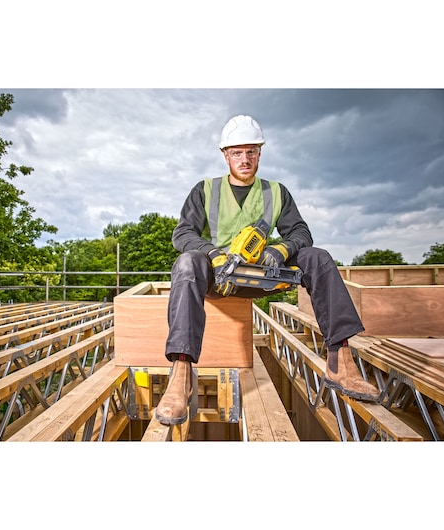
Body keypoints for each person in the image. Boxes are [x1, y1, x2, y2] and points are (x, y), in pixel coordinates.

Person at [155, 115, 381, 426]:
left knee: (318, 257)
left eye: (251, 151)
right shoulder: (205, 189)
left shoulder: (276, 192)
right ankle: (181, 373)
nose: (244, 159)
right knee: (187, 263)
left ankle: (340, 361)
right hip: (218, 275)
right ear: (225, 155)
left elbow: (301, 232)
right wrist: (213, 254)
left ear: (260, 152)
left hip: (261, 275)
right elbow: (182, 234)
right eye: (237, 152)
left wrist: (280, 249)